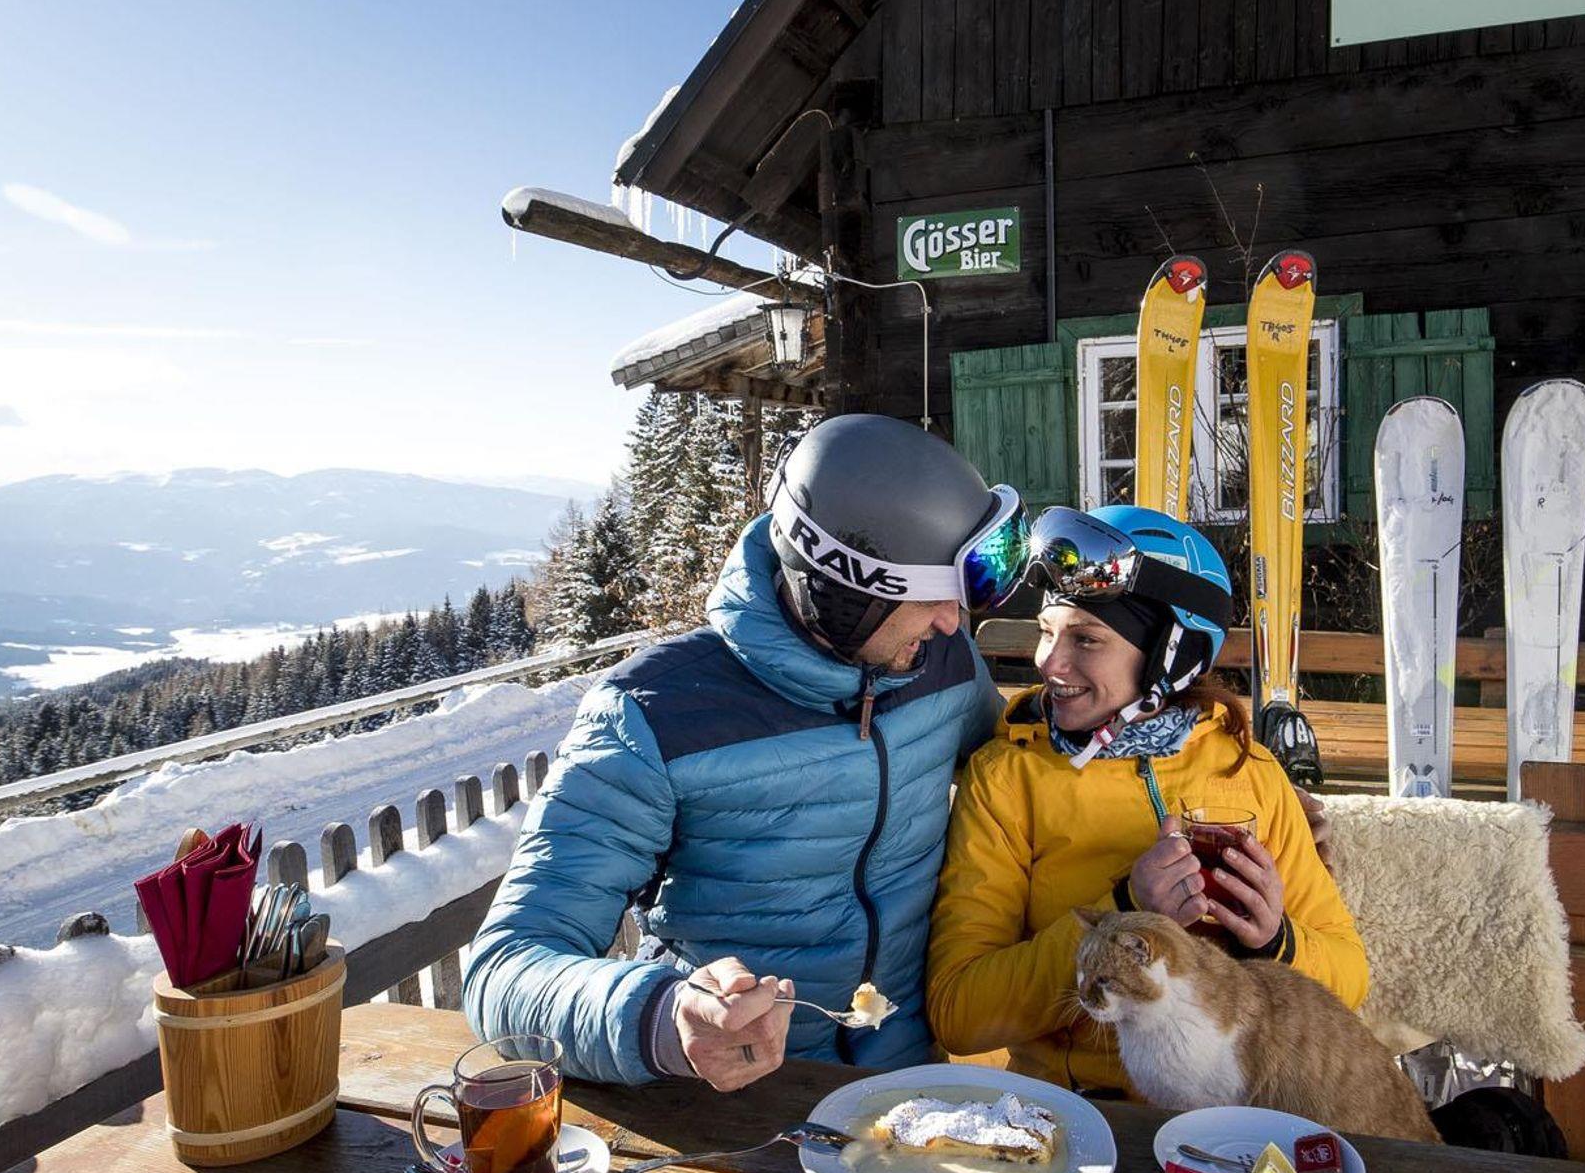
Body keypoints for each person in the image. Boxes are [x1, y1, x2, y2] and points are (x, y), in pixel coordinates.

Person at [463, 414, 1020, 1089]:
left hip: (909, 1081)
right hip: (740, 1092)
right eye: (929, 595)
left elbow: (1018, 781)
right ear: (846, 596)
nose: (953, 622)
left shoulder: (943, 665)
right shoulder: (655, 716)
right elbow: (505, 969)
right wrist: (665, 1019)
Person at [926, 503, 1368, 1095]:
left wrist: (1275, 941)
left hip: (1238, 1112)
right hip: (1082, 1110)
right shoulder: (1008, 778)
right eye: (1047, 631)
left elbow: (1350, 980)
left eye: (1086, 639)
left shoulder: (1250, 772)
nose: (1048, 662)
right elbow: (959, 1013)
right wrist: (1122, 907)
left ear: (1171, 655)